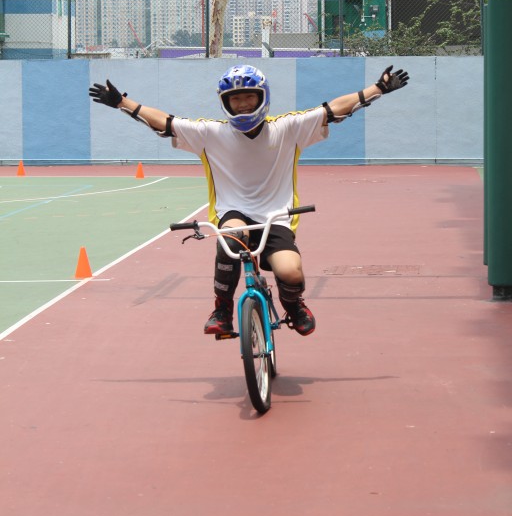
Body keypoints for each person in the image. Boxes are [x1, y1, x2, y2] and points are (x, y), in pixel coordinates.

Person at [89, 63, 409, 337]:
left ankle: (293, 306)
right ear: (225, 103)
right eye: (235, 99)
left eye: (248, 97)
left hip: (276, 216)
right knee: (231, 236)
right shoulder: (210, 134)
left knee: (291, 272)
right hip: (233, 212)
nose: (243, 104)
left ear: (262, 97)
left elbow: (333, 110)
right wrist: (122, 103)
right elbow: (166, 122)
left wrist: (378, 88)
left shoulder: (287, 128)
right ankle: (222, 311)